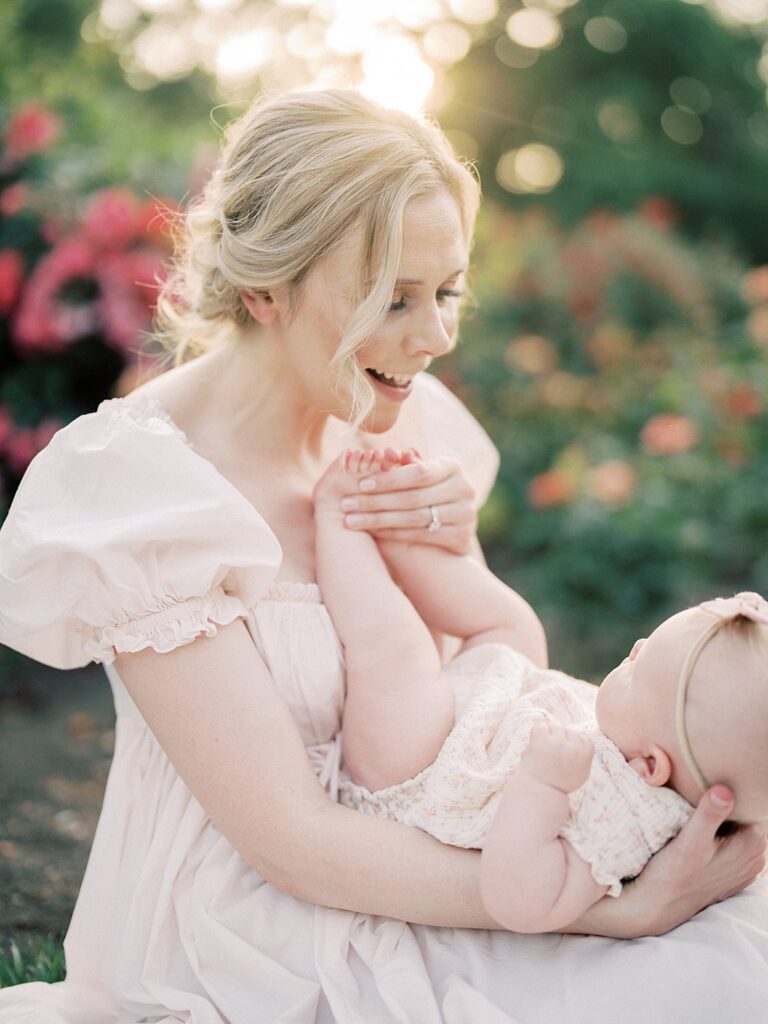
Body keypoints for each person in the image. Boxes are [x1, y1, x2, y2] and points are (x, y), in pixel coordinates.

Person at [0, 88, 766, 1024]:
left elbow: (489, 685)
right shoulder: (143, 494)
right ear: (267, 287)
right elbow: (291, 840)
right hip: (258, 927)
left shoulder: (400, 422)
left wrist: (452, 551)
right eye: (393, 298)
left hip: (453, 851)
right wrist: (605, 909)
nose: (438, 336)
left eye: (446, 291)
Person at [314, 447, 768, 934]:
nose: (634, 647)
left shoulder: (628, 823)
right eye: (646, 644)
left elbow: (522, 903)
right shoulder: (655, 752)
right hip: (485, 728)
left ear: (653, 766)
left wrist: (542, 785)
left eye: (639, 668)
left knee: (399, 649)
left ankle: (342, 521)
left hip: (424, 774)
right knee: (517, 627)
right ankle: (398, 536)